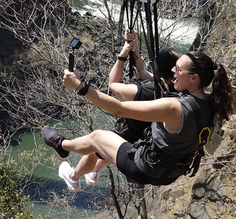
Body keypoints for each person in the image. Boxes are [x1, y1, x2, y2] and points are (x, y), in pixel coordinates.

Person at [43, 49, 233, 187]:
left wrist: (79, 87)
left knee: (98, 137)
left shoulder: (175, 107)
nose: (173, 71)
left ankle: (62, 145)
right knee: (107, 144)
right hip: (171, 172)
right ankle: (75, 165)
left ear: (194, 78)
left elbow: (119, 109)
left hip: (144, 167)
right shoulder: (211, 102)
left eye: (178, 69)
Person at [57, 29, 180, 191]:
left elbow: (113, 84)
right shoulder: (174, 88)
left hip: (131, 127)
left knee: (97, 148)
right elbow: (142, 71)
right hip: (144, 135)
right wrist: (132, 48)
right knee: (108, 152)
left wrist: (122, 55)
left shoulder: (146, 91)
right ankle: (93, 172)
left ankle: (74, 177)